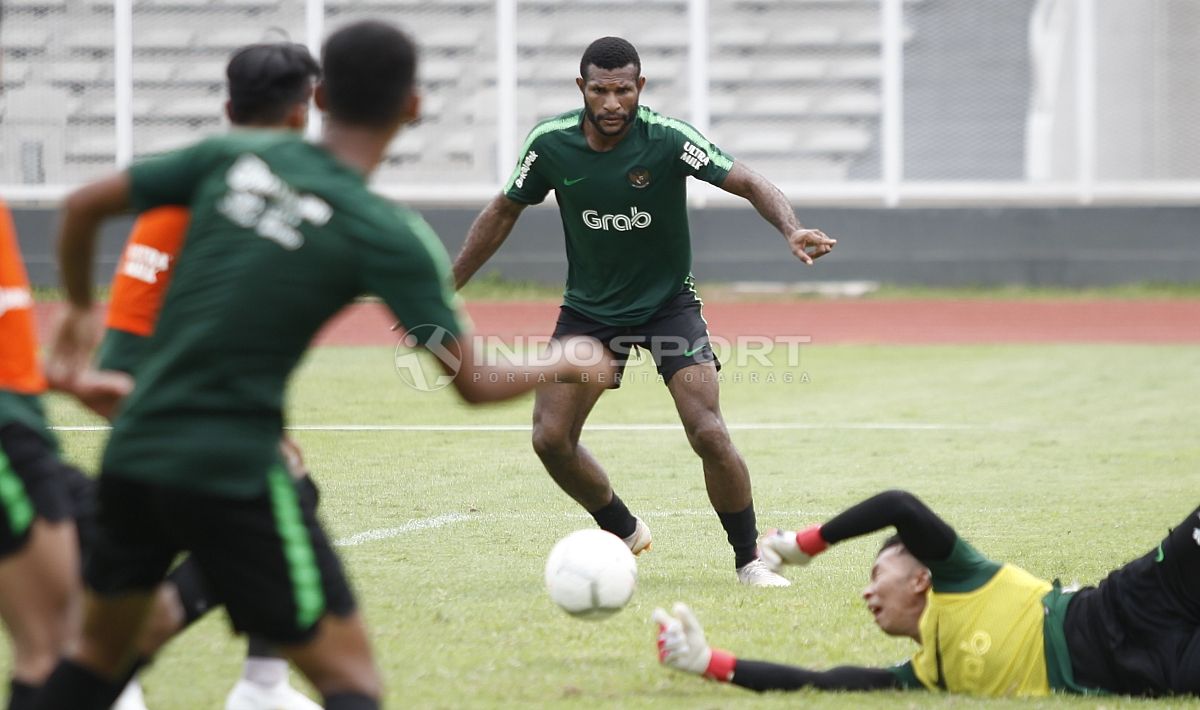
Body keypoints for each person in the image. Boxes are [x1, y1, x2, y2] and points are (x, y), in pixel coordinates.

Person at [34, 20, 607, 710]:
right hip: (232, 464)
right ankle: (261, 687)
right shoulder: (387, 234)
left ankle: (257, 683)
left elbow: (83, 204)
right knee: (350, 682)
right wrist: (565, 358)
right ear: (413, 107)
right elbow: (477, 384)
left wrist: (75, 308)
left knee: (96, 659)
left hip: (133, 449)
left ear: (322, 96)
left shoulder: (232, 157)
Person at [451, 36, 837, 587]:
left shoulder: (668, 140)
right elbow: (503, 210)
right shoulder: (551, 145)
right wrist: (447, 286)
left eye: (624, 90)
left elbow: (748, 180)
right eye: (601, 90)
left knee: (707, 431)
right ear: (581, 88)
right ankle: (622, 528)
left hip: (668, 308)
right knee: (550, 438)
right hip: (590, 313)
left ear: (641, 88)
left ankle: (750, 559)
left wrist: (791, 227)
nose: (612, 103)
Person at [94, 42, 324, 710]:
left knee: (287, 500)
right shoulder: (188, 198)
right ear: (302, 113)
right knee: (270, 513)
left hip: (202, 417)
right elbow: (119, 356)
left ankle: (257, 686)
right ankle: (131, 676)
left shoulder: (275, 202)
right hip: (158, 419)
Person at [654, 489, 1200, 697]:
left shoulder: (962, 576)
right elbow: (818, 682)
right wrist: (709, 661)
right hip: (1148, 673)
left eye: (876, 575)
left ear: (921, 577)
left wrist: (806, 543)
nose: (866, 594)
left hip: (1132, 602)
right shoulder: (927, 672)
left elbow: (899, 506)